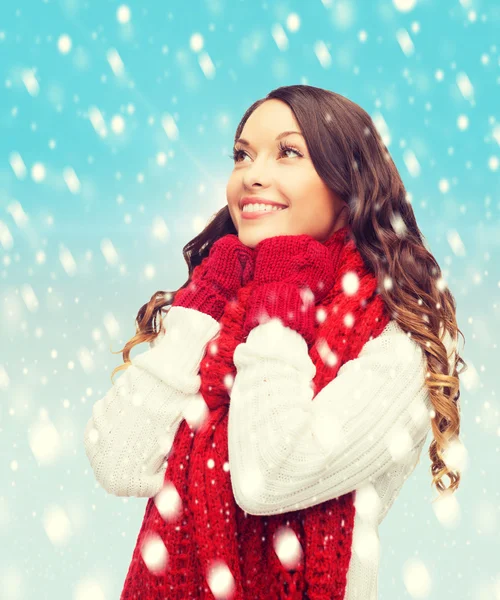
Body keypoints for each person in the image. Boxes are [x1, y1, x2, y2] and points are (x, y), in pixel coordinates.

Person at [84, 85, 467, 599]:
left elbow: (269, 477)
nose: (252, 174)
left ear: (348, 184)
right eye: (242, 154)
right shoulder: (223, 302)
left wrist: (279, 303)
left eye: (288, 152)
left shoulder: (397, 334)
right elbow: (119, 460)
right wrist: (201, 305)